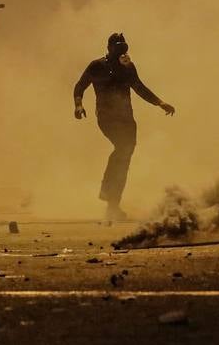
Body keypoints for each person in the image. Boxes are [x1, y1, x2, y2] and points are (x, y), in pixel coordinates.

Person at [73, 32, 174, 220]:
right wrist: (78, 105)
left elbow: (139, 87)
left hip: (127, 118)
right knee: (123, 149)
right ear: (109, 48)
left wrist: (160, 103)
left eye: (123, 48)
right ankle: (108, 193)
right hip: (107, 118)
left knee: (125, 156)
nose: (121, 52)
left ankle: (112, 203)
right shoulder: (97, 66)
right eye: (117, 48)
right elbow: (80, 86)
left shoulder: (127, 67)